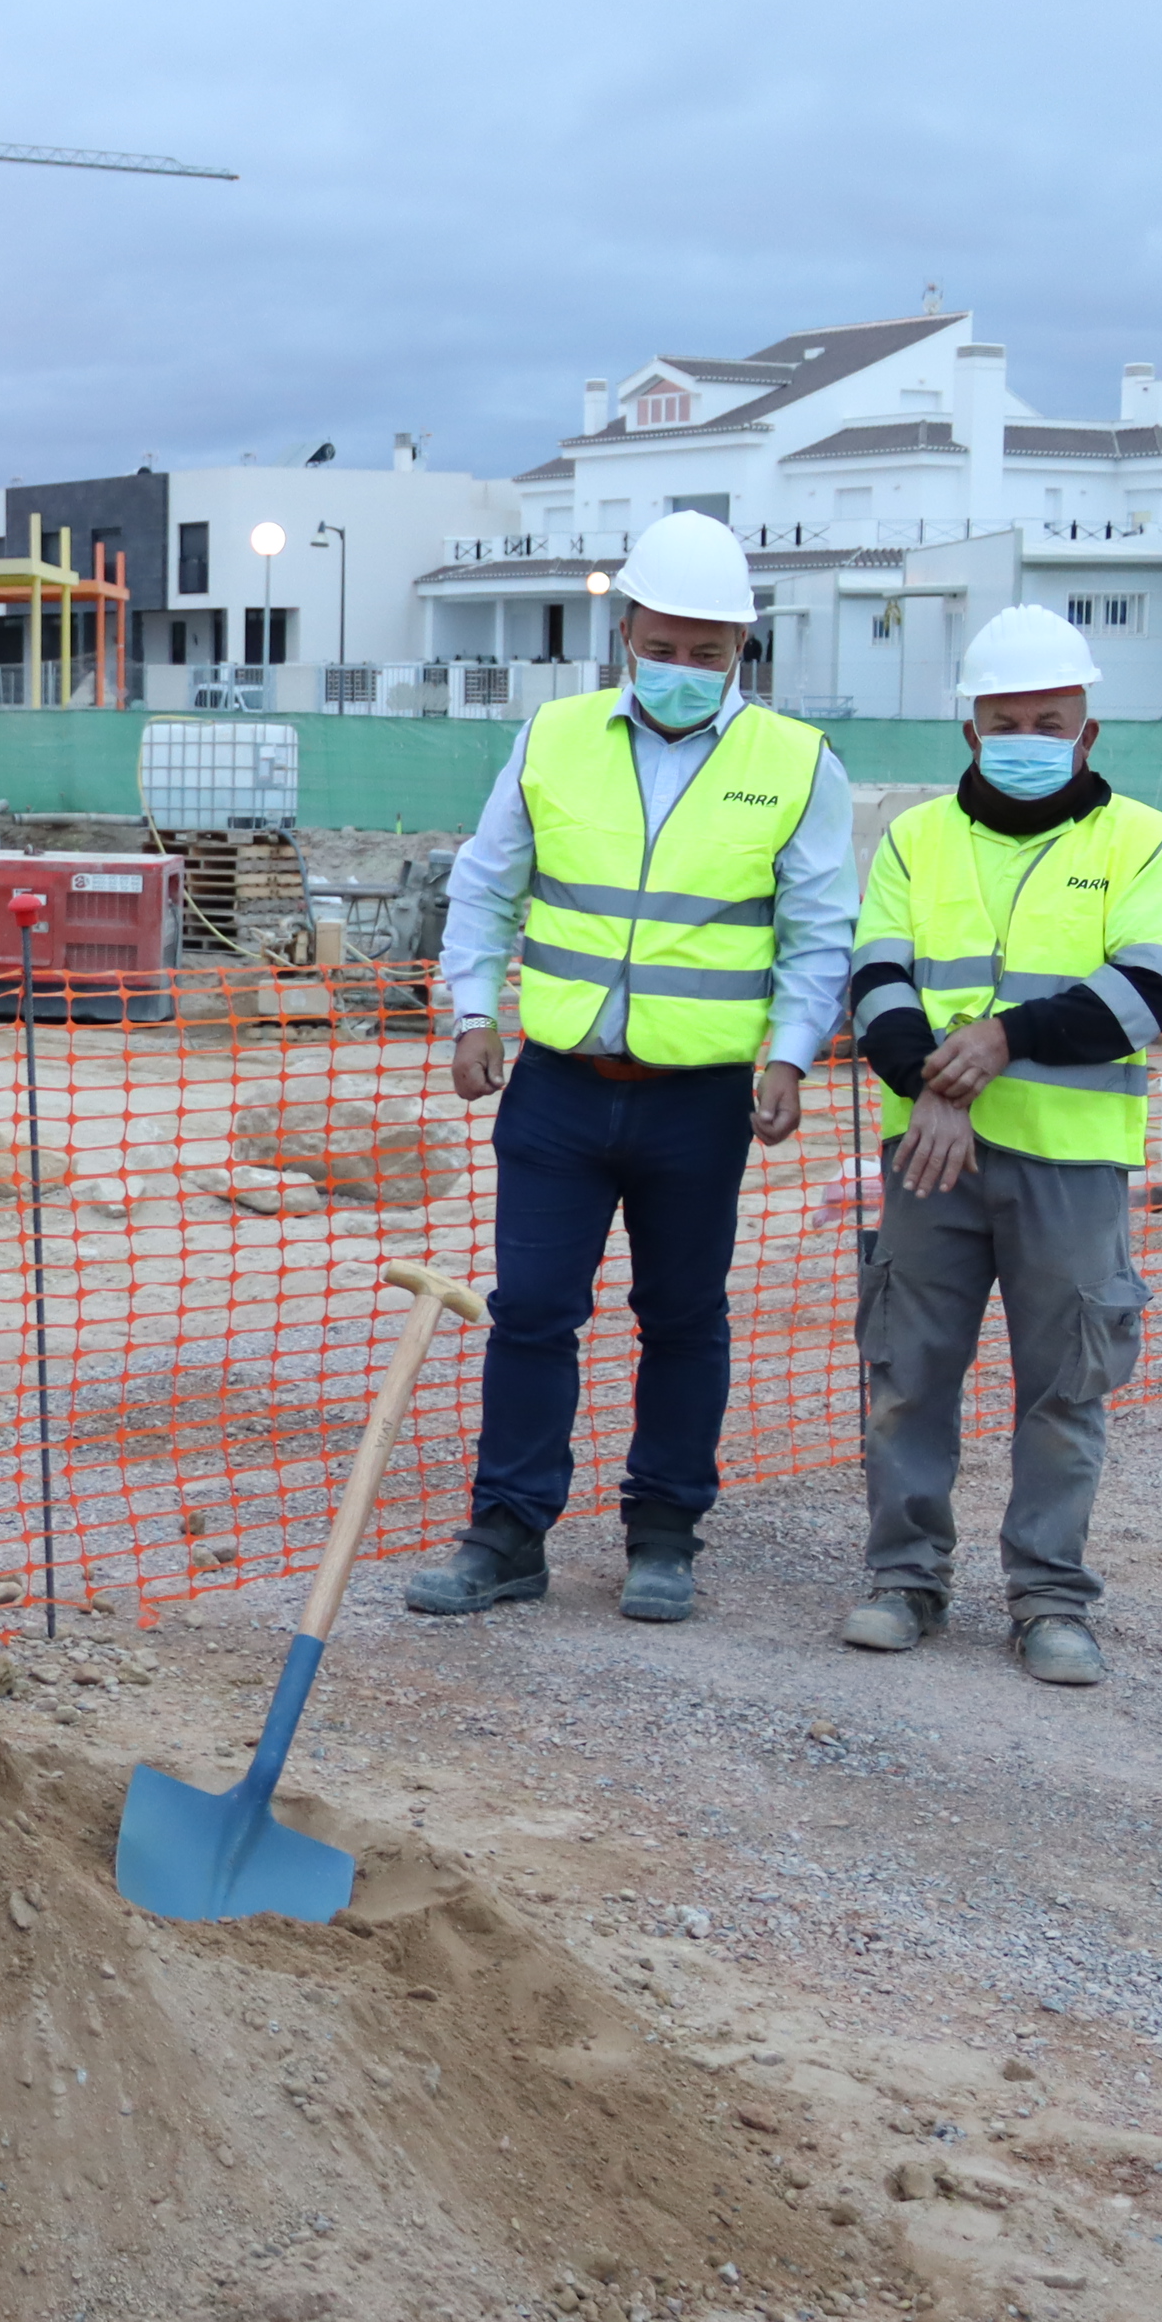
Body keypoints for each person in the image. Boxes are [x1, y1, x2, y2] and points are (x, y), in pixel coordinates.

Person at [413, 510, 857, 1625]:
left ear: (742, 652)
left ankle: (664, 1537)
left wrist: (792, 1057)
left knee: (685, 1316)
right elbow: (486, 883)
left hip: (699, 1104)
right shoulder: (554, 737)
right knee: (531, 1314)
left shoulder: (796, 762)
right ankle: (506, 1535)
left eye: (711, 653)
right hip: (559, 1090)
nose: (686, 668)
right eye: (667, 645)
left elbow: (818, 930)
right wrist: (474, 1011)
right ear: (627, 633)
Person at [839, 606, 1162, 1688]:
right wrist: (928, 1087)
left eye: (1050, 717)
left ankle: (1049, 1599)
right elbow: (878, 981)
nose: (1027, 734)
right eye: (1006, 718)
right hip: (929, 1159)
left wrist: (1000, 1044)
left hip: (1069, 1164)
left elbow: (1151, 990)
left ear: (1088, 730)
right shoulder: (915, 836)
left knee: (1065, 1388)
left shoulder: (1145, 839)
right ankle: (904, 1580)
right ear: (971, 729)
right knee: (906, 1374)